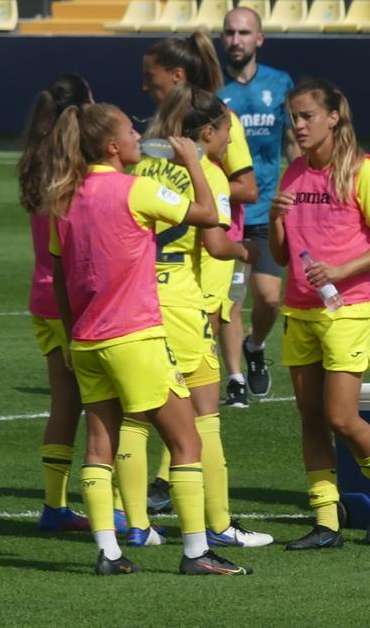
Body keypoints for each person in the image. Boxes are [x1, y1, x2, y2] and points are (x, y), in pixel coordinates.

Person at [45, 101, 251, 576]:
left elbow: (58, 273)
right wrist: (195, 163)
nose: (141, 135)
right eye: (130, 132)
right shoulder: (137, 191)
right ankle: (198, 553)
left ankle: (109, 554)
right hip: (135, 337)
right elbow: (205, 216)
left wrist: (72, 328)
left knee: (99, 445)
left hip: (87, 340)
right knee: (187, 443)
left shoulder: (66, 198)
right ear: (112, 147)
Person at [123, 84, 272, 548]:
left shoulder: (142, 165)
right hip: (181, 304)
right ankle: (220, 524)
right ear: (207, 131)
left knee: (134, 415)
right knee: (206, 416)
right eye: (228, 131)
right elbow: (214, 242)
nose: (230, 140)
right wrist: (255, 251)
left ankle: (135, 525)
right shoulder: (207, 172)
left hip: (136, 299)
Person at [269, 79, 370, 549]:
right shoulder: (293, 174)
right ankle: (326, 521)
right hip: (300, 309)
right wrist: (276, 217)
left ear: (333, 117)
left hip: (348, 309)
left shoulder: (363, 171)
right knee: (310, 416)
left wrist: (342, 269)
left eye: (307, 116)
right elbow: (282, 256)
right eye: (294, 117)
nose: (298, 125)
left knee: (342, 416)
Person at [137, 32, 258, 516]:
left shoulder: (194, 132)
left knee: (169, 392)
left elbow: (246, 184)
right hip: (189, 269)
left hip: (193, 270)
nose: (145, 85)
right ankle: (207, 515)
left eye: (152, 76)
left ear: (177, 76)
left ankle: (162, 487)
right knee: (193, 394)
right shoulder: (158, 145)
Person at [16, 73, 92, 533]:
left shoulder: (35, 160)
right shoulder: (74, 169)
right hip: (75, 297)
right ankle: (121, 508)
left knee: (65, 404)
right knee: (111, 405)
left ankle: (54, 505)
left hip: (42, 295)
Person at [217, 7, 297, 403]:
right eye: (230, 32)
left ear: (259, 39)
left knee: (269, 298)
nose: (236, 40)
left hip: (267, 210)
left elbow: (294, 141)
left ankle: (255, 346)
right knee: (230, 298)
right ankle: (234, 380)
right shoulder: (213, 90)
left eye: (244, 33)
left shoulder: (280, 83)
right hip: (226, 212)